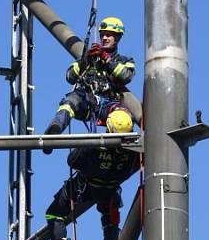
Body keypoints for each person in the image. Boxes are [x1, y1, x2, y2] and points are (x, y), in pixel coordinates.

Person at [45, 107, 139, 240]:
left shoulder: (96, 144)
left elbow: (72, 161)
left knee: (54, 213)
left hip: (86, 188)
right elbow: (138, 165)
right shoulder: (134, 151)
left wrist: (89, 145)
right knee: (110, 217)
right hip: (111, 189)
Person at [44, 16, 140, 153]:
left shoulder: (125, 60)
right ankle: (54, 130)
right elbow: (69, 76)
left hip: (109, 103)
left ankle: (113, 151)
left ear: (117, 38)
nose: (105, 38)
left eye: (109, 35)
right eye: (103, 35)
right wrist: (85, 61)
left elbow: (126, 76)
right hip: (87, 101)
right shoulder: (90, 57)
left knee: (122, 120)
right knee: (70, 100)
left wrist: (106, 59)